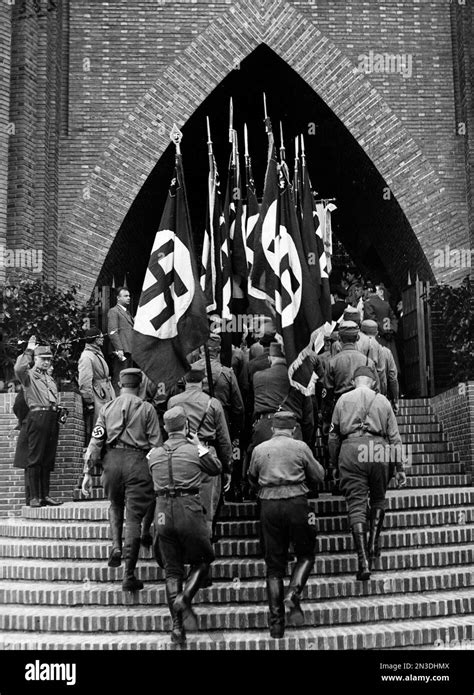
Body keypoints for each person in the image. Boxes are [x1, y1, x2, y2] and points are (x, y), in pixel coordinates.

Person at [82, 368, 162, 591]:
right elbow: (156, 446)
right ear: (140, 385)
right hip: (138, 462)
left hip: (112, 463)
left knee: (115, 505)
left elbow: (96, 441)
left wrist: (87, 472)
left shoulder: (107, 408)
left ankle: (116, 547)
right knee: (135, 517)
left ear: (119, 384)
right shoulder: (147, 409)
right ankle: (129, 575)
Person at [148, 406, 222, 645]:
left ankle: (177, 627)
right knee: (203, 560)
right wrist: (200, 445)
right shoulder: (194, 451)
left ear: (165, 429)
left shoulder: (153, 454)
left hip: (162, 512)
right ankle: (186, 596)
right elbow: (216, 468)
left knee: (172, 570)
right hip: (188, 508)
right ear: (186, 427)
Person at [248, 411, 325, 639]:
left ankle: (276, 627)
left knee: (273, 567)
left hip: (269, 507)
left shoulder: (260, 449)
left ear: (273, 429)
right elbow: (319, 475)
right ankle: (293, 592)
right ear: (292, 429)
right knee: (306, 554)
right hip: (297, 505)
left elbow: (251, 477)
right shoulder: (300, 447)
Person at [328, 366, 406, 581]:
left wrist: (334, 464)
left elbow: (333, 437)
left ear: (354, 382)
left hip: (351, 450)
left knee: (356, 505)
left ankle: (363, 562)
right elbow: (395, 438)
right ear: (372, 383)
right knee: (379, 498)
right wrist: (399, 468)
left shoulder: (342, 400)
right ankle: (373, 544)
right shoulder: (383, 401)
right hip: (378, 449)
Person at [167, 363, 232, 539]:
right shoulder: (213, 403)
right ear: (203, 381)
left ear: (184, 380)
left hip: (180, 454)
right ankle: (205, 548)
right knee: (208, 509)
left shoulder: (173, 402)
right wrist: (227, 468)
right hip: (205, 452)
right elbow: (224, 440)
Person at [14, 336, 62, 507]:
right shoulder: (29, 376)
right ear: (35, 359)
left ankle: (44, 495)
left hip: (51, 418)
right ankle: (34, 497)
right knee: (35, 458)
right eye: (43, 359)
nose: (47, 362)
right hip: (37, 417)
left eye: (49, 359)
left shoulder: (49, 378)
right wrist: (29, 349)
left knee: (47, 458)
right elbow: (19, 368)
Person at [78, 327, 115, 435]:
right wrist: (89, 401)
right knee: (99, 427)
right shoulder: (87, 357)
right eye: (100, 337)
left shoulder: (95, 353)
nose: (103, 339)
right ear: (95, 339)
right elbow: (85, 382)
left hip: (105, 392)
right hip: (99, 395)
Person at [363, 284, 400, 372]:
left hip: (377, 337)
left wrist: (383, 331)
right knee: (391, 366)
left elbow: (372, 320)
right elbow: (393, 318)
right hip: (389, 339)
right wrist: (392, 330)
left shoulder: (368, 303)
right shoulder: (386, 304)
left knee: (377, 366)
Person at [107, 287, 134, 395]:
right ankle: (117, 401)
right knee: (119, 377)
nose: (129, 298)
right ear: (118, 298)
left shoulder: (127, 312)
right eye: (125, 296)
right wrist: (119, 349)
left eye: (129, 296)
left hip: (129, 350)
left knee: (127, 378)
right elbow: (112, 332)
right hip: (121, 351)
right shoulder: (114, 311)